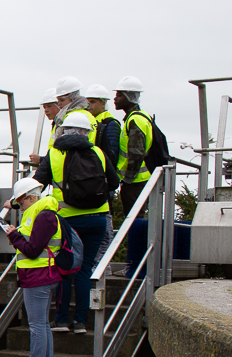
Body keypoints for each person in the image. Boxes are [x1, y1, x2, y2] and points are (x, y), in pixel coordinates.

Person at [33, 112, 120, 334]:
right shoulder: (97, 152)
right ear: (86, 132)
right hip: (98, 218)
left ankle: (62, 321)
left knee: (64, 269)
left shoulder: (54, 153)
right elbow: (115, 182)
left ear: (63, 131)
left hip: (69, 220)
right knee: (85, 269)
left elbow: (36, 185)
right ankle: (80, 322)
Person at [2, 179, 62, 357]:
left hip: (38, 276)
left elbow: (33, 250)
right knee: (42, 324)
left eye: (21, 202)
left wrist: (14, 236)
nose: (20, 207)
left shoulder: (43, 215)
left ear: (30, 197)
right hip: (40, 275)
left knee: (36, 325)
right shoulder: (43, 212)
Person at [86, 84, 122, 265]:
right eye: (87, 102)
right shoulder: (93, 122)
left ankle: (102, 265)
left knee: (105, 230)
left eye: (92, 102)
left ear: (103, 103)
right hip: (95, 182)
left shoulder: (110, 124)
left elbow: (111, 155)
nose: (89, 106)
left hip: (104, 183)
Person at [114, 76, 154, 216]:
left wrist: (128, 180)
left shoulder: (135, 120)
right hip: (137, 180)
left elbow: (136, 154)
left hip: (136, 181)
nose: (115, 99)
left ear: (129, 97)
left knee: (134, 220)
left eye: (119, 95)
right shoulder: (137, 117)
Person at [28, 88, 61, 167]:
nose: (46, 110)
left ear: (59, 105)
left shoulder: (63, 125)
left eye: (49, 106)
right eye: (44, 107)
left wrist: (41, 160)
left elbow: (62, 156)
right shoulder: (55, 124)